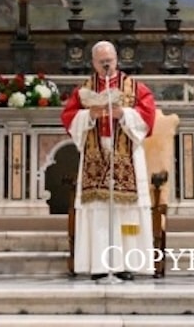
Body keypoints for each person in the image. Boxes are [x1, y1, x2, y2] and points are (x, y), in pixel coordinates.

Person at [61, 40, 156, 280]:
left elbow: (148, 117)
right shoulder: (84, 88)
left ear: (116, 60)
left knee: (127, 211)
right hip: (96, 153)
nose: (106, 64)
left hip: (127, 156)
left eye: (109, 60)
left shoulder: (135, 87)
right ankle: (99, 265)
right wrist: (89, 115)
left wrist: (124, 113)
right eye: (101, 61)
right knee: (98, 210)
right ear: (93, 62)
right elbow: (69, 117)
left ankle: (126, 264)